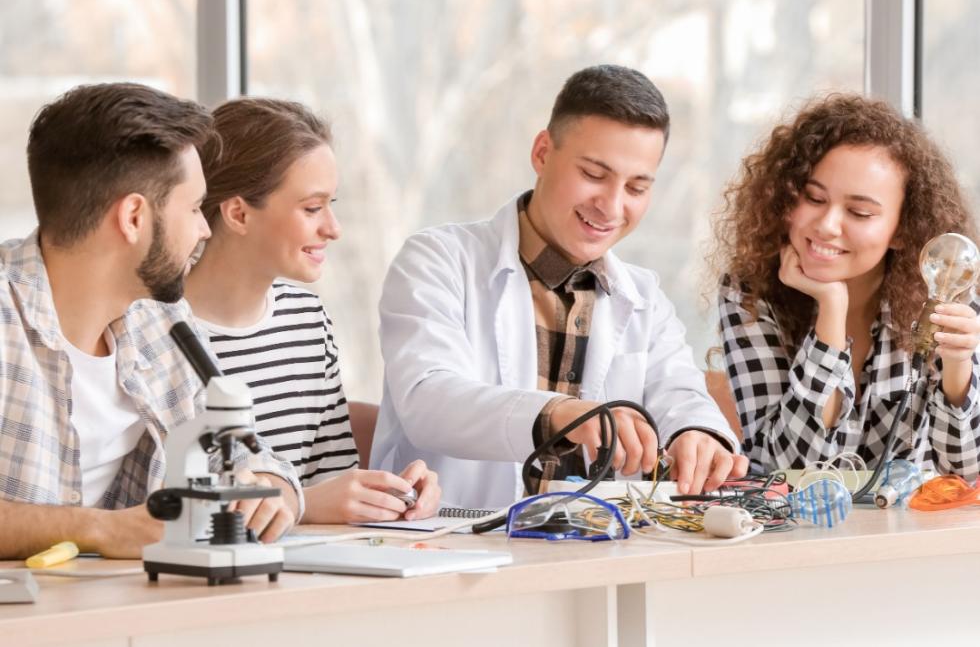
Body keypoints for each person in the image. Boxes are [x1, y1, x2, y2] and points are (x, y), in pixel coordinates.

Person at [372, 64, 747, 510]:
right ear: (543, 153)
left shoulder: (644, 297)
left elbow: (680, 393)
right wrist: (558, 414)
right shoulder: (438, 261)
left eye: (636, 186)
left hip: (585, 551)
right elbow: (429, 401)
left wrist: (698, 434)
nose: (612, 205)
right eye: (594, 174)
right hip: (450, 544)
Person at [0, 83, 301, 560]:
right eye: (193, 208)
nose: (204, 230)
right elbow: (111, 532)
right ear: (134, 217)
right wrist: (97, 530)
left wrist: (268, 488)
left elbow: (248, 453)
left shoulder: (161, 321)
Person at [184, 98, 441, 523]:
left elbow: (331, 478)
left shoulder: (305, 318)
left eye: (331, 204)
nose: (333, 229)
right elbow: (156, 502)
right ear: (238, 213)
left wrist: (391, 496)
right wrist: (305, 507)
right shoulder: (156, 332)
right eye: (312, 208)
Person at [711, 93, 980, 477]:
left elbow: (964, 472)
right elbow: (789, 467)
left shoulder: (943, 290)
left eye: (859, 212)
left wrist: (958, 365)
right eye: (814, 198)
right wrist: (831, 313)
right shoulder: (749, 293)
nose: (827, 225)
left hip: (911, 534)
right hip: (794, 536)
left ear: (902, 230)